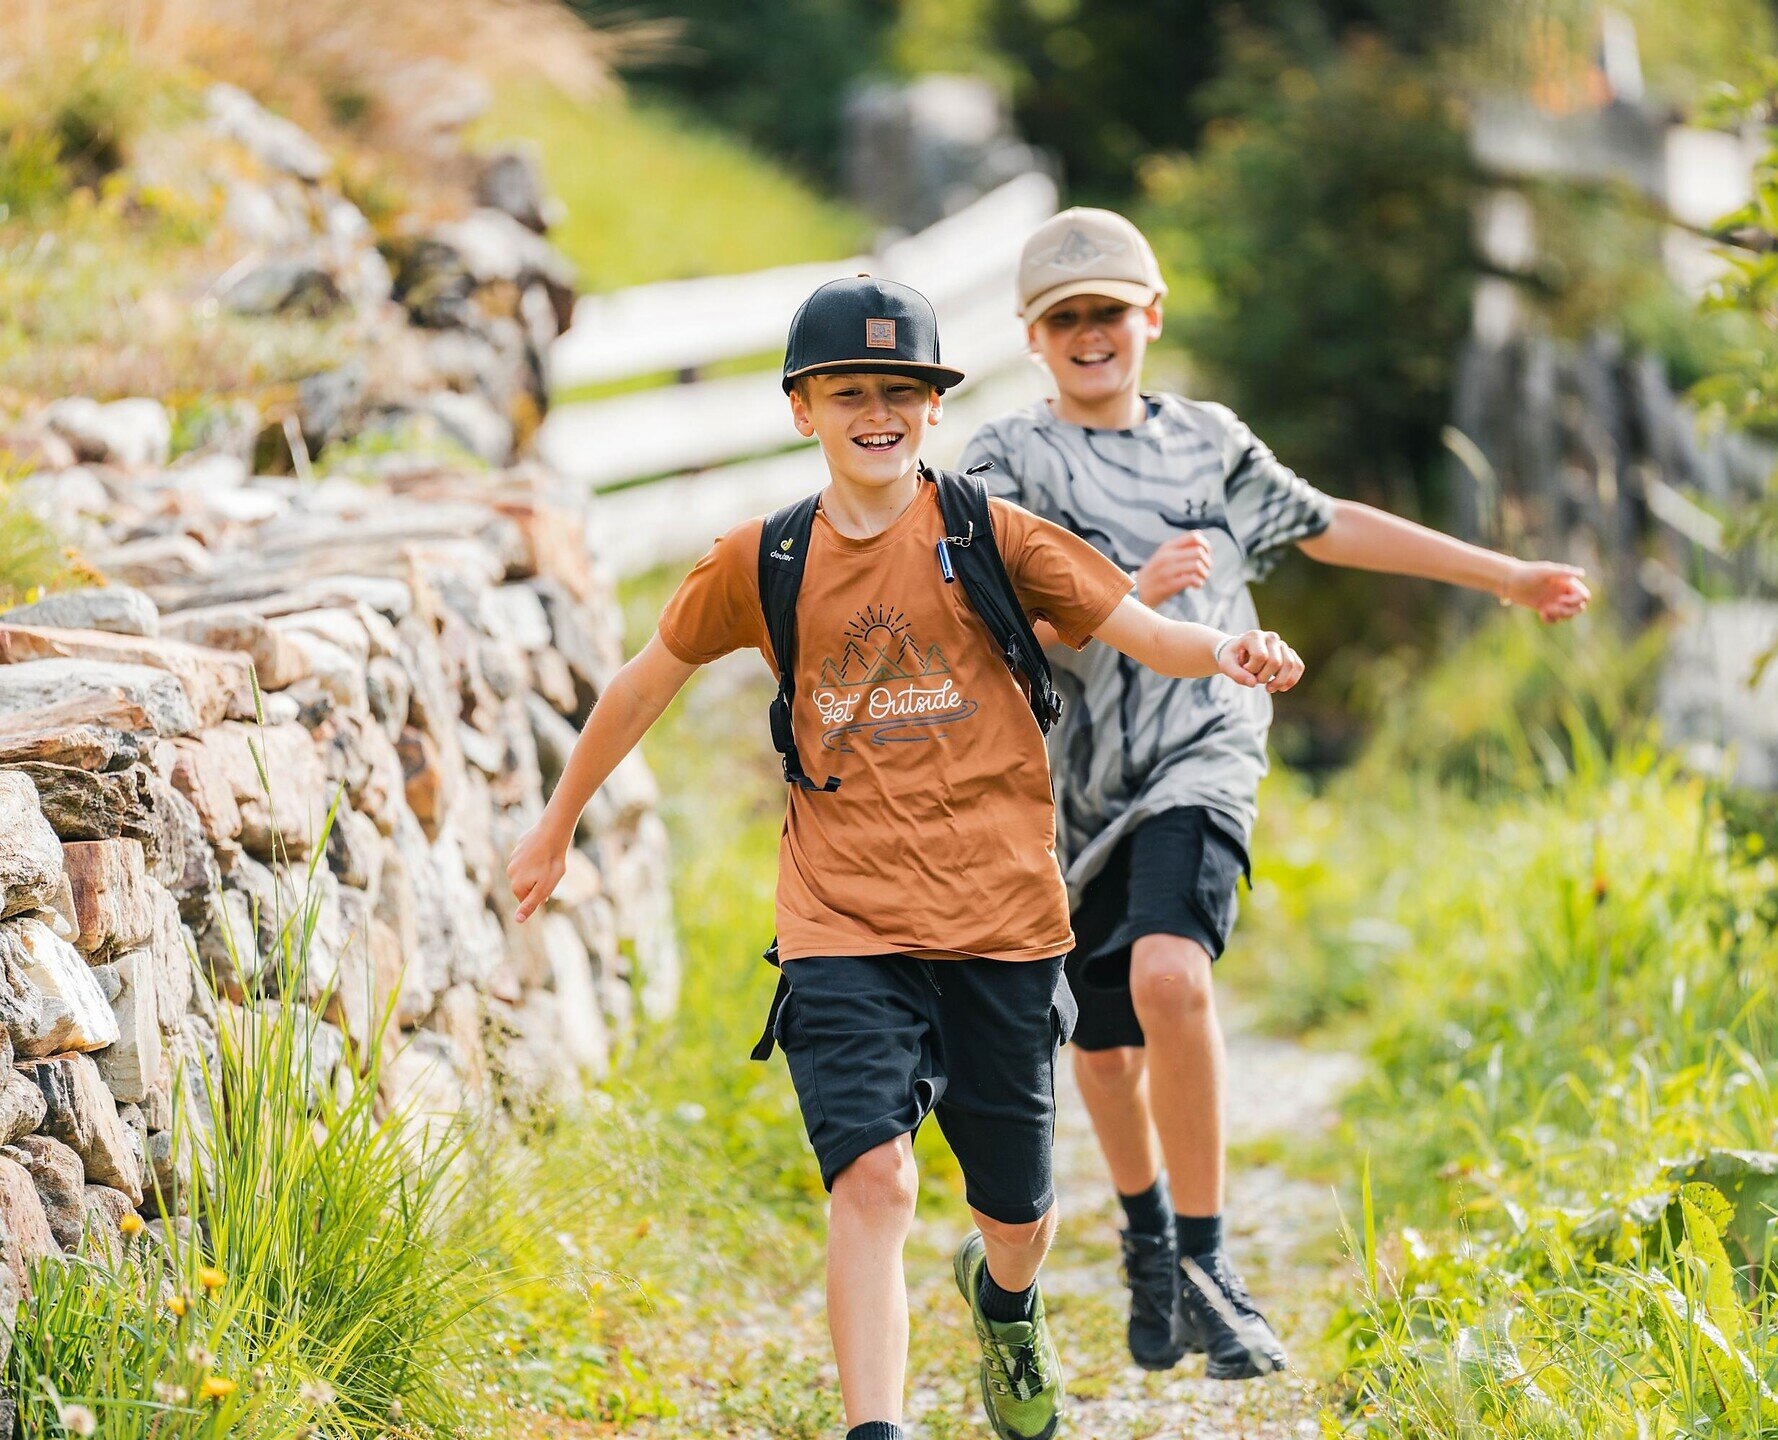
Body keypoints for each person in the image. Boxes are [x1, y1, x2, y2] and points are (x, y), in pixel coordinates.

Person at [508, 274, 1308, 1440]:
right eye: (848, 393)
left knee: (1017, 1216)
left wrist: (1229, 650)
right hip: (841, 921)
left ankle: (1006, 1301)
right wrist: (555, 822)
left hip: (1003, 922)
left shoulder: (994, 535)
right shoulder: (763, 558)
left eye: (900, 392)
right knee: (874, 1180)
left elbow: (1143, 630)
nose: (875, 413)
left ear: (935, 408)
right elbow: (641, 686)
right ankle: (874, 1428)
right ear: (804, 410)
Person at [960, 208, 1591, 1381]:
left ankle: (1209, 1262)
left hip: (1203, 745)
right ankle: (1146, 1238)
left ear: (1151, 316)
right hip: (1066, 788)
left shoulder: (1209, 443)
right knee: (1103, 1050)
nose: (1091, 333)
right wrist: (1122, 595)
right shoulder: (1004, 464)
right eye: (1066, 317)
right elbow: (980, 629)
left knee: (1171, 975)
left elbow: (1331, 524)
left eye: (1110, 311)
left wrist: (1504, 574)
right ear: (1033, 336)